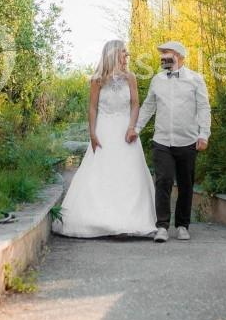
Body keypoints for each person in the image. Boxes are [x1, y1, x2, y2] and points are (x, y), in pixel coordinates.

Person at [52, 40, 155, 238]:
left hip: (126, 131)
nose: (127, 56)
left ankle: (130, 220)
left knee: (129, 174)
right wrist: (92, 133)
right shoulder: (98, 79)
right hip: (105, 130)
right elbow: (92, 107)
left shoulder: (130, 78)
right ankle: (97, 219)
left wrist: (132, 127)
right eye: (124, 52)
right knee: (101, 172)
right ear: (114, 54)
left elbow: (135, 104)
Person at [130, 40, 211, 242]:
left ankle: (183, 225)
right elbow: (148, 106)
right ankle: (162, 226)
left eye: (166, 53)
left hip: (188, 140)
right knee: (163, 181)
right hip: (162, 140)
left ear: (179, 56)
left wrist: (204, 134)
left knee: (186, 184)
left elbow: (203, 107)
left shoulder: (196, 79)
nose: (162, 56)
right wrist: (136, 128)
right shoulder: (157, 79)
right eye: (162, 53)